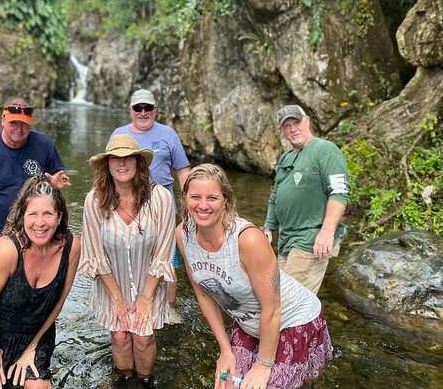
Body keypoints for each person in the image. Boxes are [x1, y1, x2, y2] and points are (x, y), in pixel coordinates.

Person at [176, 164, 334, 389]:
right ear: (185, 198)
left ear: (226, 200)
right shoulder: (183, 235)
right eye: (195, 197)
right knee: (226, 385)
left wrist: (263, 364)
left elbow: (272, 308)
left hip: (292, 318)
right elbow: (203, 293)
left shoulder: (248, 239)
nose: (203, 205)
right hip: (249, 322)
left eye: (212, 197)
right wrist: (225, 350)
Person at [0, 175, 81, 389]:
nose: (40, 223)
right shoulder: (7, 249)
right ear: (22, 216)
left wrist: (32, 347)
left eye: (48, 214)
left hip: (34, 324)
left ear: (59, 217)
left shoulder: (70, 247)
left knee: (39, 385)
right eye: (32, 214)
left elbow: (58, 303)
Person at [80, 134, 177, 388]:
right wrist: (117, 299)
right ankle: (124, 380)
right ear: (107, 164)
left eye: (128, 158)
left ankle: (145, 381)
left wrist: (145, 298)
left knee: (143, 338)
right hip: (113, 285)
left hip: (150, 283)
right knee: (121, 335)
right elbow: (95, 254)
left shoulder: (161, 199)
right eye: (115, 158)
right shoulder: (94, 201)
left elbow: (164, 252)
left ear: (138, 163)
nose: (121, 164)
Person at [0, 96, 70, 270]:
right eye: (13, 123)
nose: (19, 129)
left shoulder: (43, 144)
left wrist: (55, 185)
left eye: (24, 124)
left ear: (31, 122)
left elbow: (56, 175)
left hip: (33, 230)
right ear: (3, 120)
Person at [112, 89, 190, 304]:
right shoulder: (119, 134)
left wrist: (189, 204)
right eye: (138, 108)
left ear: (155, 109)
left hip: (163, 207)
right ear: (131, 110)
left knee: (169, 257)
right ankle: (130, 299)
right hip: (126, 207)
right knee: (130, 253)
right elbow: (108, 171)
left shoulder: (168, 134)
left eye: (147, 108)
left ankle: (169, 306)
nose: (143, 112)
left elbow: (183, 170)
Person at [262, 104, 350, 294]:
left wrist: (327, 232)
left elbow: (339, 192)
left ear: (307, 121)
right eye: (287, 125)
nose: (293, 129)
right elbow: (275, 196)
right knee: (277, 296)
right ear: (281, 131)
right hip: (287, 239)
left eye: (297, 122)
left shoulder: (325, 150)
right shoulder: (285, 158)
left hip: (310, 239)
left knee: (289, 301)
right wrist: (269, 227)